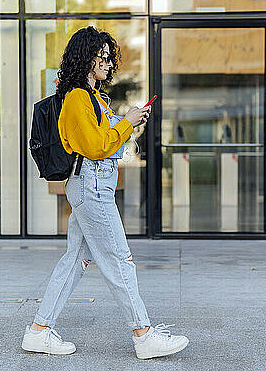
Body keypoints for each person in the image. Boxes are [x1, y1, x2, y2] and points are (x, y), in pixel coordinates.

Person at [21, 26, 189, 360]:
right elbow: (96, 147)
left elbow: (108, 138)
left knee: (75, 260)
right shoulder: (77, 98)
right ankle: (143, 335)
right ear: (85, 57)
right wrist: (126, 123)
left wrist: (130, 121)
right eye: (101, 56)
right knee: (118, 259)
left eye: (109, 57)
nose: (107, 63)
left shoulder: (94, 97)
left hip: (95, 185)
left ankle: (38, 332)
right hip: (91, 186)